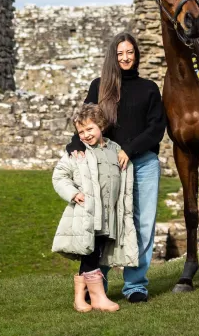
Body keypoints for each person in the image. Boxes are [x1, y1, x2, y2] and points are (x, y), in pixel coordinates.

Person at [66, 32, 166, 303]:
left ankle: (135, 285)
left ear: (137, 55)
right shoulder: (100, 86)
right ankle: (98, 285)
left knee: (143, 224)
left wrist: (129, 150)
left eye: (130, 52)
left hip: (143, 163)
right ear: (114, 55)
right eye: (120, 53)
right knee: (107, 225)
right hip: (107, 166)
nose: (125, 57)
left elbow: (157, 128)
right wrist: (74, 145)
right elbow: (85, 119)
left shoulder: (149, 88)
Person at [52, 103, 138, 313]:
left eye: (89, 129)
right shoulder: (78, 153)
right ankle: (98, 298)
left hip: (109, 215)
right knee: (90, 253)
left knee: (95, 252)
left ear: (101, 125)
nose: (85, 135)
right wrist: (73, 193)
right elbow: (59, 176)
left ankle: (80, 299)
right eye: (81, 132)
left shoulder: (115, 150)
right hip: (88, 214)